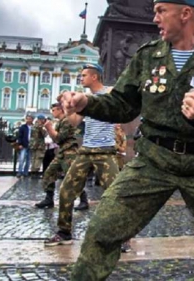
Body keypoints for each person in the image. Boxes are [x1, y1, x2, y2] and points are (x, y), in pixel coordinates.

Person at [61, 1, 194, 280]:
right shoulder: (148, 56)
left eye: (160, 10)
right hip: (153, 162)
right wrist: (87, 103)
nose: (154, 18)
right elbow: (122, 104)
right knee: (101, 232)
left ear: (185, 13)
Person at [44, 64, 119, 247]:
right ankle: (64, 232)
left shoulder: (109, 92)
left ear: (95, 77)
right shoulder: (84, 99)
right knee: (66, 190)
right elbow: (76, 122)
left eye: (84, 75)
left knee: (116, 194)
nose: (81, 78)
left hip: (105, 150)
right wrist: (68, 108)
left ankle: (120, 236)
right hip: (85, 150)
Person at [35, 103, 87, 209]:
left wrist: (49, 128)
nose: (52, 112)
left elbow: (59, 138)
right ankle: (49, 199)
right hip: (62, 152)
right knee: (49, 173)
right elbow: (55, 139)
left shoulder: (67, 121)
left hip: (70, 153)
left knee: (73, 177)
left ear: (60, 110)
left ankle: (83, 200)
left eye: (54, 110)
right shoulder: (60, 122)